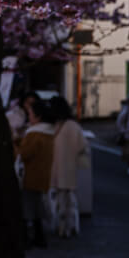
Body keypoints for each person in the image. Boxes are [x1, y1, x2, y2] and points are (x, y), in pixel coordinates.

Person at [17, 98, 56, 247]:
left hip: (30, 175)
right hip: (42, 175)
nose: (29, 117)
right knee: (37, 208)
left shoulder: (35, 133)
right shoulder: (48, 132)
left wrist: (16, 144)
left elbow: (24, 153)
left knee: (27, 208)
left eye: (31, 114)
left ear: (38, 116)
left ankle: (27, 239)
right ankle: (39, 237)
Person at [46, 96, 85, 238]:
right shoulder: (74, 126)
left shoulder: (51, 126)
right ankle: (70, 227)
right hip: (69, 169)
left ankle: (61, 227)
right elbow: (82, 146)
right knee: (70, 200)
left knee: (58, 200)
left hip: (55, 169)